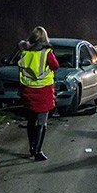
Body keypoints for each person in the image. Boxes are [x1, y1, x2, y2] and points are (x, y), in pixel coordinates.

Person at [18, 26, 59, 161]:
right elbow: (55, 66)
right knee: (42, 122)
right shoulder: (46, 52)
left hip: (28, 90)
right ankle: (38, 151)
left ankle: (31, 148)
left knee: (31, 121)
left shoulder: (25, 52)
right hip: (43, 90)